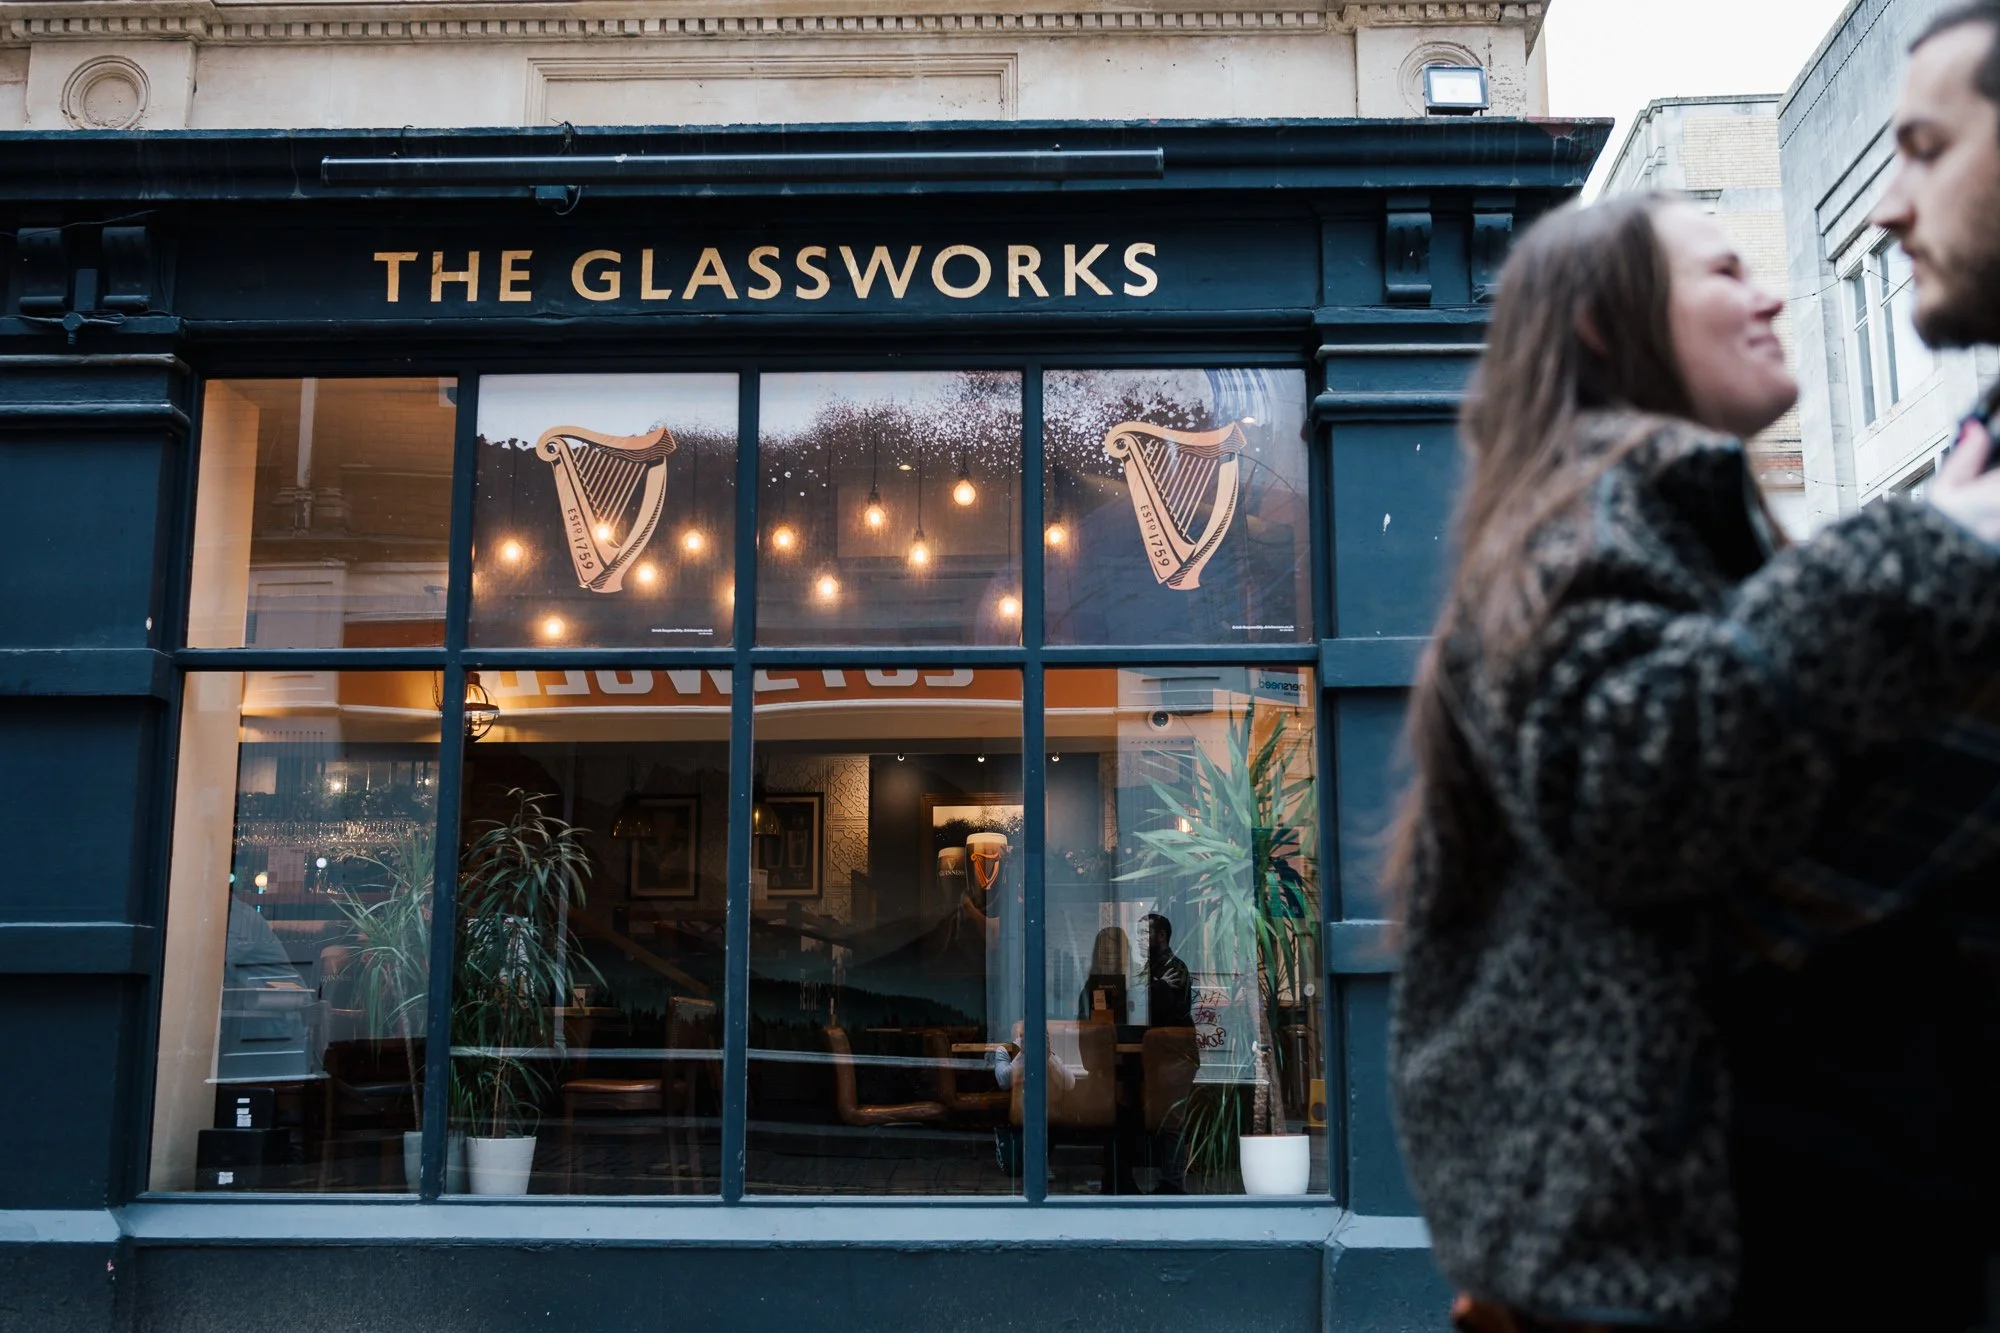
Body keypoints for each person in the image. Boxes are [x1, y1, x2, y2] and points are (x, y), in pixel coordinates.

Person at [1386, 188, 2000, 1333]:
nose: (1769, 291)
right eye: (1722, 273)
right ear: (1598, 326)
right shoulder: (1577, 523)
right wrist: (1937, 538)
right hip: (1676, 1265)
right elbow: (1629, 786)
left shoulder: (1675, 527)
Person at [1139, 912, 1193, 1030]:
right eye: (1139, 934)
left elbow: (1162, 1010)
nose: (1139, 939)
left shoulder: (1174, 967)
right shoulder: (1150, 965)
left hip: (1169, 1039)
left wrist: (1157, 987)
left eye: (1145, 933)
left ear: (1162, 935)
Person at [1077, 925, 1133, 1023]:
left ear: (1121, 955)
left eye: (1113, 952)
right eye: (1103, 951)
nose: (1107, 957)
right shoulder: (1090, 987)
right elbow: (1083, 1022)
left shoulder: (1133, 985)